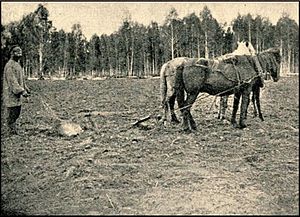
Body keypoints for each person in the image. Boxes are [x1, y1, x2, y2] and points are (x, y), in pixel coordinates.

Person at [3, 45, 30, 135]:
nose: (19, 54)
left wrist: (25, 87)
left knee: (17, 111)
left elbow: (20, 78)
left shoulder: (17, 64)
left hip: (16, 93)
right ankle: (10, 130)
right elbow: (12, 81)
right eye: (17, 52)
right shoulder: (9, 66)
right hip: (10, 93)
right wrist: (21, 91)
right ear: (12, 53)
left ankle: (13, 129)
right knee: (12, 112)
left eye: (20, 52)